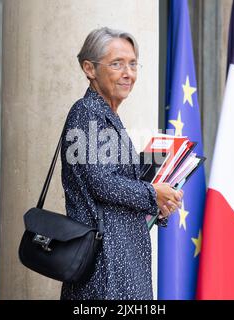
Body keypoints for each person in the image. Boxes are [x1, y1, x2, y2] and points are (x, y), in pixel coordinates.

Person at [60, 27, 183, 300]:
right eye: (117, 64)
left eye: (133, 64)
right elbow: (102, 182)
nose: (129, 73)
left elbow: (119, 182)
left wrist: (159, 201)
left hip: (122, 256)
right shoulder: (87, 112)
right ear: (89, 69)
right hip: (106, 265)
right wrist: (153, 193)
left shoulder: (106, 115)